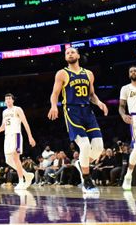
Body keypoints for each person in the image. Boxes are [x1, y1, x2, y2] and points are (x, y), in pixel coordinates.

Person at [48, 46, 108, 195]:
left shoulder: (89, 74)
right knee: (85, 145)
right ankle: (87, 180)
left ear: (78, 55)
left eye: (72, 52)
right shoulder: (62, 73)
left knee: (99, 147)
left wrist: (99, 102)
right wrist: (54, 106)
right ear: (65, 58)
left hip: (87, 110)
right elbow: (55, 93)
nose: (70, 54)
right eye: (67, 53)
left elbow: (92, 95)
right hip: (72, 111)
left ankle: (82, 163)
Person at [0, 93, 36, 191]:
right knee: (8, 160)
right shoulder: (4, 112)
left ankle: (21, 181)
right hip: (7, 137)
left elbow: (25, 123)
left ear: (13, 100)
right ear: (5, 101)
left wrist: (30, 137)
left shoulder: (17, 109)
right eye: (6, 99)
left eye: (9, 99)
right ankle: (27, 175)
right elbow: (3, 125)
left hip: (16, 135)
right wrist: (0, 129)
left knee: (16, 157)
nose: (8, 100)